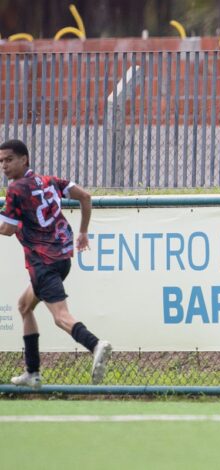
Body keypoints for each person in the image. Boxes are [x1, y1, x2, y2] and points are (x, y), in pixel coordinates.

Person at [0, 139, 111, 389]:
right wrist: (83, 232)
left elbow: (7, 229)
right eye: (1, 161)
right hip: (62, 259)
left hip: (43, 262)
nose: (4, 165)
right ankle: (32, 373)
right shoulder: (49, 181)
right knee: (24, 305)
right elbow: (85, 197)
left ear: (24, 160)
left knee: (60, 317)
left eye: (9, 159)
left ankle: (95, 344)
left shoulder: (16, 188)